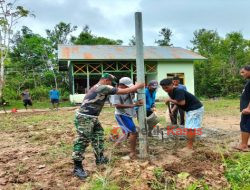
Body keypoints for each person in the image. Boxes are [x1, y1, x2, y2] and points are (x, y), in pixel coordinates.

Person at [72, 73, 144, 179]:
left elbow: (127, 92)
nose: (112, 86)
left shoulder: (102, 87)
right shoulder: (102, 87)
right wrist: (139, 85)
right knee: (82, 140)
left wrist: (135, 88)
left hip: (92, 117)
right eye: (111, 83)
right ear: (106, 80)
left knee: (98, 135)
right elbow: (125, 91)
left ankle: (100, 158)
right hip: (85, 117)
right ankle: (77, 167)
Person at [160, 78, 204, 150]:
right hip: (190, 109)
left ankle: (189, 147)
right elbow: (177, 102)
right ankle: (191, 143)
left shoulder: (178, 91)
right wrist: (173, 110)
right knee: (189, 127)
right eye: (163, 88)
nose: (165, 90)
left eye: (166, 87)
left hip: (195, 109)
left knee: (190, 128)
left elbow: (182, 102)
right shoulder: (170, 92)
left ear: (172, 85)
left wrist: (169, 100)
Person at [113, 77, 143, 159]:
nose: (129, 88)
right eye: (127, 86)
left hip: (127, 114)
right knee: (134, 132)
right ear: (121, 85)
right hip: (121, 114)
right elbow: (117, 105)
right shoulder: (116, 92)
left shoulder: (129, 89)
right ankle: (132, 153)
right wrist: (133, 105)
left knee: (126, 133)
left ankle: (113, 149)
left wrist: (138, 85)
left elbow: (136, 90)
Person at [234, 66, 250, 151]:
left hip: (248, 110)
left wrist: (248, 108)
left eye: (243, 72)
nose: (241, 74)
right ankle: (244, 144)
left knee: (245, 125)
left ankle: (243, 145)